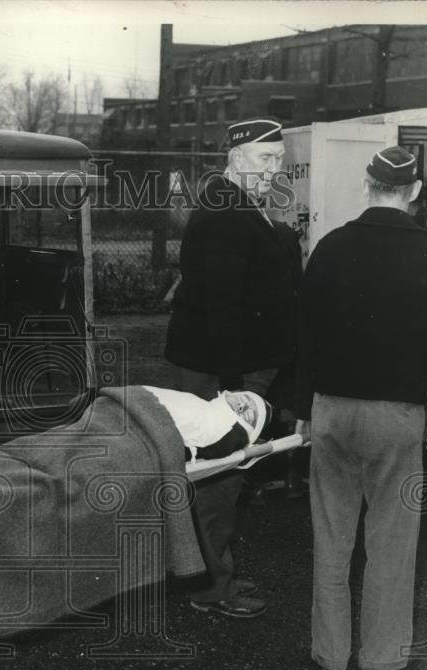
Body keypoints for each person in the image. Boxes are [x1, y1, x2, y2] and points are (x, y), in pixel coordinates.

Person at [295, 146, 427, 670]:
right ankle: (383, 655)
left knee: (331, 535)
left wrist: (303, 409)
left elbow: (307, 338)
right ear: (415, 192)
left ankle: (330, 653)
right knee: (392, 541)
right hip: (398, 418)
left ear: (367, 185)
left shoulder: (330, 247)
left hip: (333, 411)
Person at [164, 118, 298, 619]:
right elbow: (222, 306)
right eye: (265, 159)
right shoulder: (226, 212)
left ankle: (211, 572)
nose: (274, 170)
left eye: (279, 160)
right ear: (236, 156)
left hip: (227, 369)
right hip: (222, 373)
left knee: (224, 475)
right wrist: (233, 387)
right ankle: (210, 587)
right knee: (219, 478)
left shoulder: (238, 206)